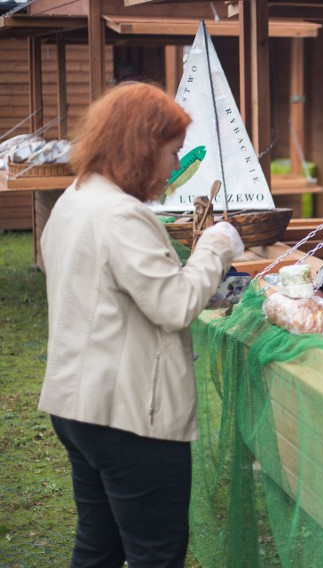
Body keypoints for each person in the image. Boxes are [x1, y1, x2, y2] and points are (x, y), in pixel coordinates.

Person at [38, 82, 245, 567]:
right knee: (156, 554)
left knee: (99, 545)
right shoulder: (122, 216)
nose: (176, 165)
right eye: (172, 153)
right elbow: (174, 305)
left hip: (78, 402)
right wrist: (215, 245)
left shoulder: (76, 197)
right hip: (129, 416)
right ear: (142, 146)